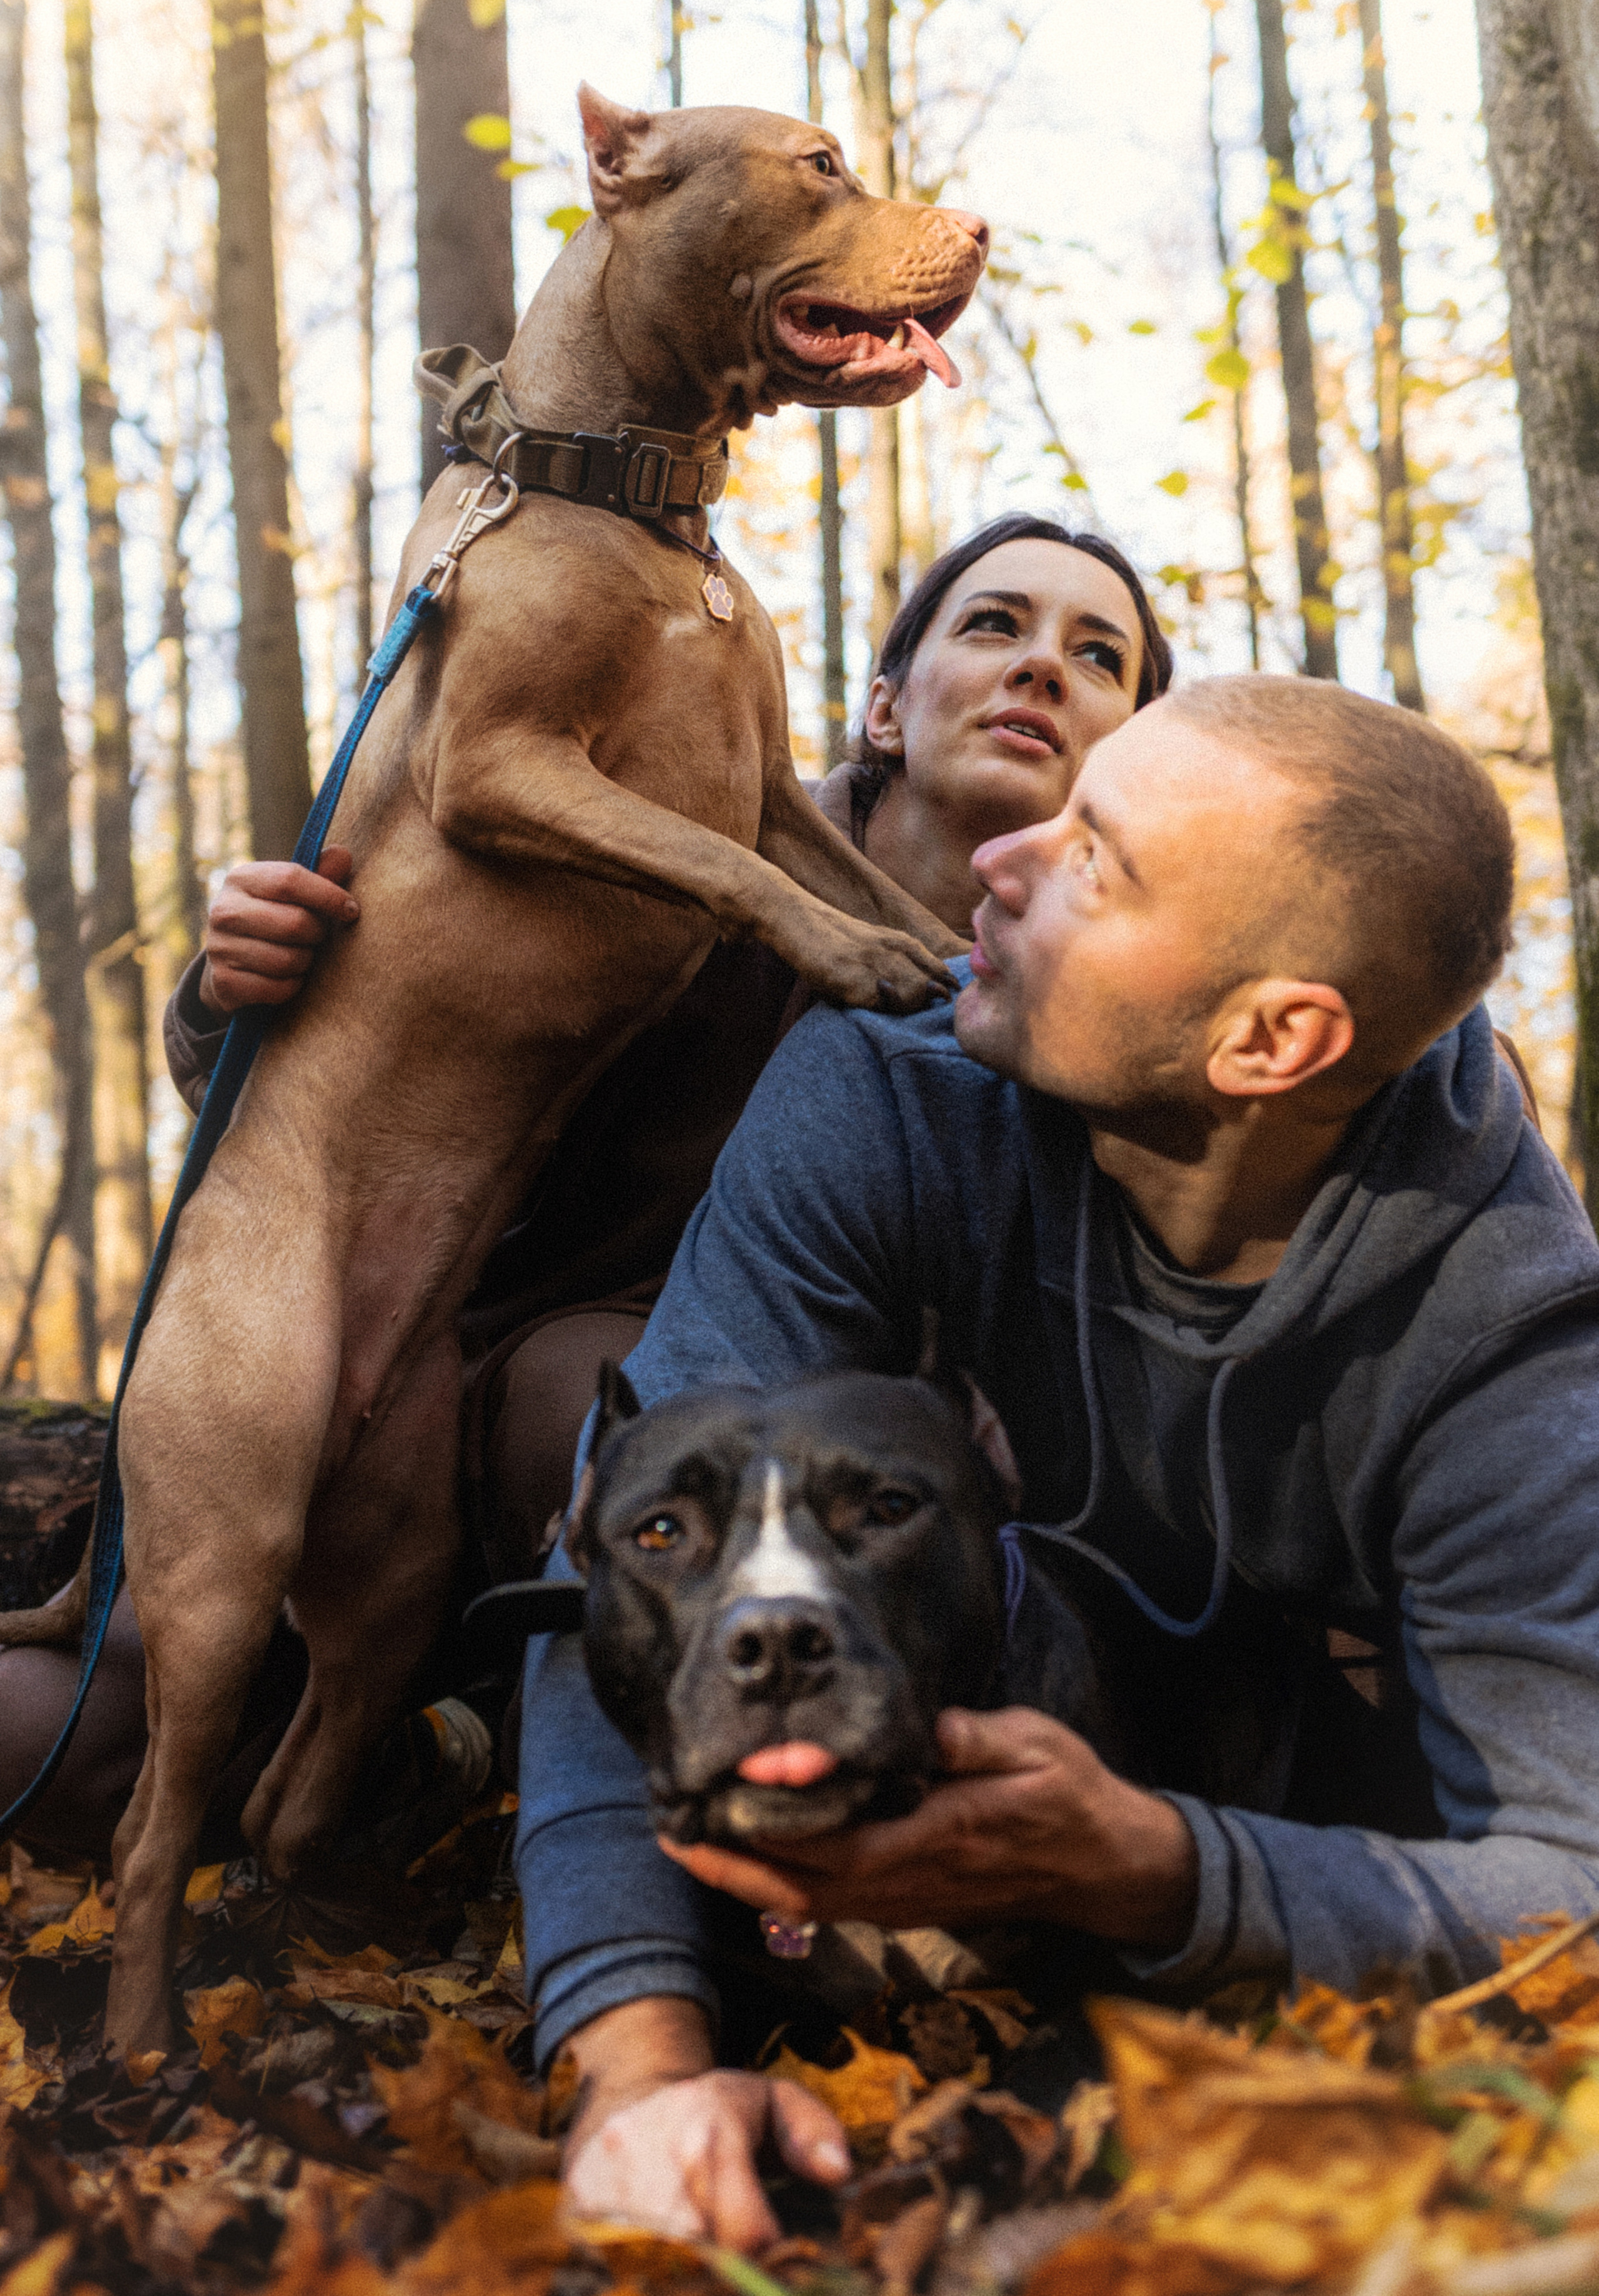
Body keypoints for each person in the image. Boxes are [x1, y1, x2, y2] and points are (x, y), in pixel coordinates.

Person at [521, 674, 1599, 2250]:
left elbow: (1566, 1879)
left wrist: (1153, 1869)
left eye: (1097, 857)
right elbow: (626, 1561)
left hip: (1266, 1760)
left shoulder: (1503, 1325)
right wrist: (637, 2063)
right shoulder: (879, 1096)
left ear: (1271, 1036)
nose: (998, 862)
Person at [0, 516, 1172, 1861]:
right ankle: (403, 1750)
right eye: (993, 625)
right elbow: (367, 1054)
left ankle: (510, 1753)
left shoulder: (1097, 994)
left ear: (1122, 756)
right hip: (389, 1379)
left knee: (614, 1404)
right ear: (886, 711)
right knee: (48, 1746)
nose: (1040, 667)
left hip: (674, 1453)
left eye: (1097, 658)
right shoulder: (681, 832)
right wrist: (230, 994)